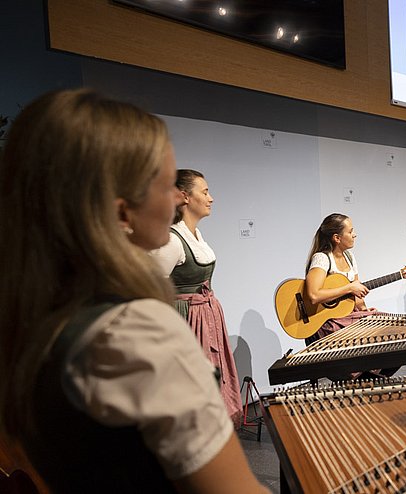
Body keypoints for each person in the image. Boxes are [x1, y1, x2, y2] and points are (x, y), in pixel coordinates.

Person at [0, 89, 267, 493]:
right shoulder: (135, 332)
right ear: (123, 211)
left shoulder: (34, 318)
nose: (176, 199)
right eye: (166, 187)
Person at [150, 170, 242, 426]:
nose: (210, 198)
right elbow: (150, 288)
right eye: (204, 192)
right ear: (185, 197)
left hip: (207, 314)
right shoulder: (172, 240)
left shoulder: (196, 236)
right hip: (188, 319)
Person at [305, 213, 406, 377]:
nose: (354, 235)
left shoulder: (349, 257)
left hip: (348, 315)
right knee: (384, 332)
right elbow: (314, 295)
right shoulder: (322, 258)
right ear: (337, 237)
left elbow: (356, 294)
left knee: (393, 325)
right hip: (328, 322)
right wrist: (349, 288)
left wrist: (363, 308)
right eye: (350, 232)